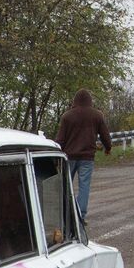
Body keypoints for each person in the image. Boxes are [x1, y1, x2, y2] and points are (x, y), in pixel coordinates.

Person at [55, 89, 113, 220]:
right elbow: (105, 135)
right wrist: (108, 148)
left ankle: (64, 215)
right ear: (90, 101)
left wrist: (56, 155)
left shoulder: (67, 116)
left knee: (65, 185)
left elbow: (60, 139)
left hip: (68, 157)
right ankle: (80, 215)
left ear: (75, 101)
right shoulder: (97, 115)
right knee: (84, 186)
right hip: (87, 158)